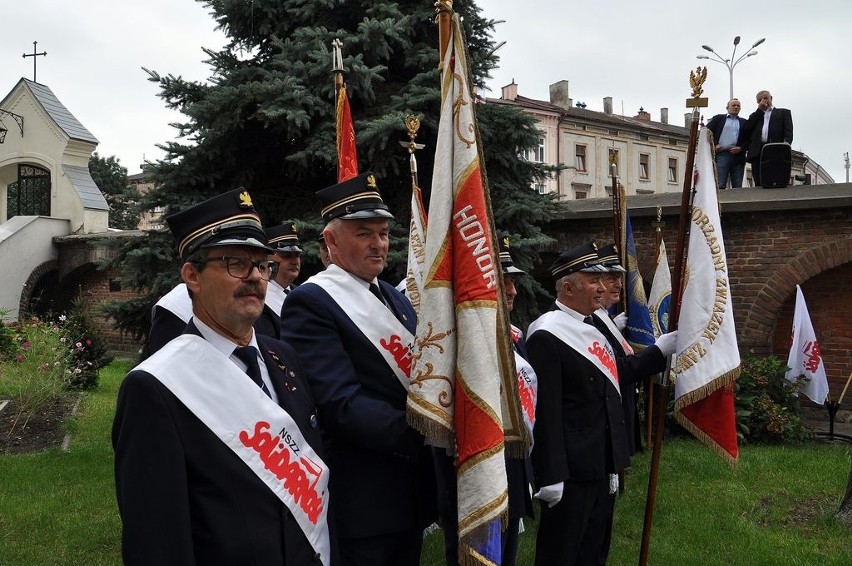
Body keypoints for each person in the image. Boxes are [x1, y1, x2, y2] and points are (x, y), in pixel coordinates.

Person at [112, 188, 334, 565]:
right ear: (192, 276)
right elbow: (156, 537)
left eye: (262, 265)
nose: (254, 277)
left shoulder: (285, 358)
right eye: (235, 263)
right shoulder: (155, 387)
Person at [280, 172, 436, 566]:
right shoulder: (311, 302)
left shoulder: (395, 300)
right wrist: (428, 430)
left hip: (409, 492)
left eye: (383, 233)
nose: (379, 244)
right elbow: (340, 403)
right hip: (363, 498)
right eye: (364, 233)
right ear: (331, 241)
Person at [435, 237, 537, 566]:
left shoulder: (514, 338)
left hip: (512, 473)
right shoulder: (460, 343)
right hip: (476, 477)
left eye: (513, 281)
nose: (512, 290)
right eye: (504, 281)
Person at [526, 242, 627, 566]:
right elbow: (547, 412)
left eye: (602, 280)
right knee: (562, 554)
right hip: (570, 471)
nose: (601, 288)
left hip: (599, 463)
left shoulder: (591, 328)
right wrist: (551, 473)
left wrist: (612, 460)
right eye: (592, 280)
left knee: (594, 552)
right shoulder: (546, 333)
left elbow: (608, 399)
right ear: (568, 287)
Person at [593, 243, 676, 458]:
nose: (619, 285)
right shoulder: (591, 320)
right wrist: (658, 351)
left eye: (619, 279)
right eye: (611, 278)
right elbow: (617, 369)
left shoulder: (602, 317)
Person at [745, 90, 794, 187]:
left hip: (776, 149)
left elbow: (788, 132)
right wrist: (759, 111)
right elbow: (747, 128)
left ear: (771, 98)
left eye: (766, 98)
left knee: (775, 177)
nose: (763, 101)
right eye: (760, 100)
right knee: (759, 180)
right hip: (758, 151)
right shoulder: (755, 115)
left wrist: (785, 147)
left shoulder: (783, 113)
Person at [706, 99, 748, 189]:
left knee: (737, 185)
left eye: (738, 106)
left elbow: (750, 139)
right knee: (720, 183)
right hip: (722, 154)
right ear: (727, 108)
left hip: (738, 157)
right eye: (733, 105)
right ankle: (720, 202)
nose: (736, 107)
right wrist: (715, 144)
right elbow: (707, 132)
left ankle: (736, 202)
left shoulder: (744, 122)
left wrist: (741, 148)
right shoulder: (719, 119)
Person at [266, 220, 303, 316]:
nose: (295, 261)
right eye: (286, 255)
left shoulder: (302, 294)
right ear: (268, 257)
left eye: (297, 255)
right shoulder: (261, 298)